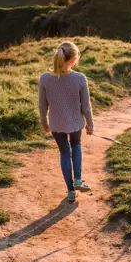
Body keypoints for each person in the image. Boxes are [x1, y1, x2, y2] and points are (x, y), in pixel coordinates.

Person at [38, 41, 94, 202]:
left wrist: (44, 123)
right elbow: (86, 107)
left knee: (64, 152)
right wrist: (90, 124)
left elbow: (42, 106)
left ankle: (70, 191)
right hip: (75, 122)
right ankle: (78, 179)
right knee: (76, 145)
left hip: (56, 124)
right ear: (74, 59)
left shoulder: (45, 78)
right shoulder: (80, 78)